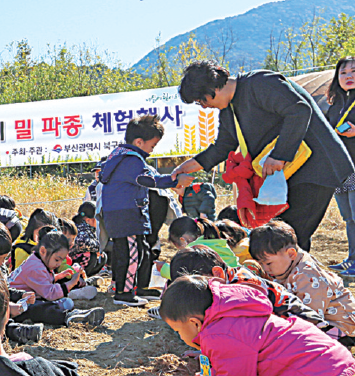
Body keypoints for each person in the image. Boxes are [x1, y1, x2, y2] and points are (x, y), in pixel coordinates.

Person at [172, 60, 355, 250]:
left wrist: (279, 155)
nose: (203, 106)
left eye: (201, 100)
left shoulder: (260, 82)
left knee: (288, 236)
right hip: (289, 174)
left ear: (213, 88)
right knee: (282, 236)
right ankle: (291, 277)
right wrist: (185, 168)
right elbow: (222, 147)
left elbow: (298, 110)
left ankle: (300, 278)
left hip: (317, 168)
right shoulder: (228, 111)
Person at [160, 276, 355, 376]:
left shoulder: (218, 334)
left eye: (178, 330)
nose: (179, 335)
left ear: (194, 322)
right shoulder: (236, 312)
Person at [165, 245, 354, 344]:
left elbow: (247, 334)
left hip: (316, 335)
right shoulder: (225, 284)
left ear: (216, 274)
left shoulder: (243, 287)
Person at [100, 115, 191, 307]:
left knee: (137, 250)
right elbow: (148, 180)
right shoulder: (131, 159)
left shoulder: (120, 156)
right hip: (127, 215)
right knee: (131, 253)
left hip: (124, 214)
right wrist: (174, 181)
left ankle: (136, 287)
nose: (152, 150)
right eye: (152, 145)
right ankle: (124, 294)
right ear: (139, 142)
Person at [249, 221, 355, 338]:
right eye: (261, 264)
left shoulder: (308, 277)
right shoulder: (289, 266)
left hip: (339, 330)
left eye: (268, 263)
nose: (265, 268)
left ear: (291, 254)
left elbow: (310, 319)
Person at [9, 230, 105, 328]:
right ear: (43, 251)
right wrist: (72, 282)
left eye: (61, 260)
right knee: (40, 308)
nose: (59, 264)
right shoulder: (35, 268)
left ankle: (67, 310)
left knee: (56, 302)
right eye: (57, 260)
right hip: (15, 303)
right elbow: (49, 293)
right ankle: (68, 316)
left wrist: (58, 276)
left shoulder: (37, 260)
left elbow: (41, 282)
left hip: (24, 298)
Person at [326, 57, 355, 274]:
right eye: (343, 73)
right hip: (339, 170)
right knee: (348, 217)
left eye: (354, 71)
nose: (348, 76)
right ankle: (352, 258)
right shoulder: (335, 102)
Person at [158, 216, 238, 279]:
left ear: (183, 240)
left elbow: (180, 274)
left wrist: (163, 268)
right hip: (233, 278)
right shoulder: (220, 243)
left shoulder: (193, 250)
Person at [71, 201, 106, 277]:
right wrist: (97, 249)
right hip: (71, 262)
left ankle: (86, 278)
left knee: (102, 257)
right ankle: (78, 279)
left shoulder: (87, 227)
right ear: (88, 220)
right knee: (91, 255)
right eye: (97, 219)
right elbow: (82, 242)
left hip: (77, 259)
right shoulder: (80, 227)